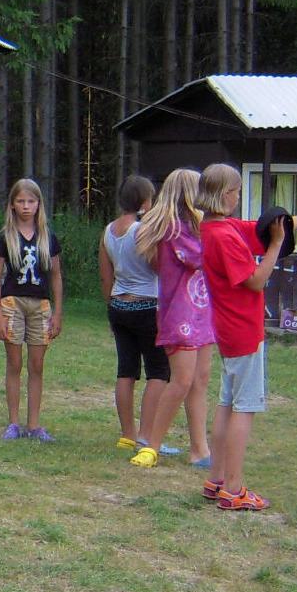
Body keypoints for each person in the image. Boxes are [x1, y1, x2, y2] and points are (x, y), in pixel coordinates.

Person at [196, 163, 297, 510]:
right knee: (244, 408)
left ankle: (216, 479)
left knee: (227, 403)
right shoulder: (224, 237)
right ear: (225, 195)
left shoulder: (217, 227)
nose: (238, 197)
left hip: (228, 328)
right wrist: (276, 245)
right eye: (237, 191)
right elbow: (255, 280)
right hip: (243, 330)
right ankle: (234, 490)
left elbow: (273, 226)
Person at [130, 168, 212, 468]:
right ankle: (151, 445)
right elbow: (202, 258)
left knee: (200, 381)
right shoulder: (176, 230)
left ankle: (200, 449)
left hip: (202, 313)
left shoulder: (196, 228)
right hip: (180, 316)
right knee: (181, 381)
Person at [98, 174, 171, 452]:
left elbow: (105, 276)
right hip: (147, 305)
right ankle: (146, 435)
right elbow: (158, 267)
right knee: (158, 372)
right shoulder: (142, 230)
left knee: (126, 371)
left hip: (119, 305)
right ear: (144, 202)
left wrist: (111, 304)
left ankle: (127, 434)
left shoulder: (108, 231)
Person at [0, 178, 63, 440]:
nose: (26, 206)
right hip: (12, 303)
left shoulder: (48, 238)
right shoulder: (5, 237)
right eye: (20, 201)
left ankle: (34, 425)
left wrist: (57, 313)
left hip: (40, 304)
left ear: (38, 204)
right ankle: (13, 423)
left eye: (31, 201)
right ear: (12, 205)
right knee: (15, 362)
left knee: (37, 364)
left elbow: (56, 276)